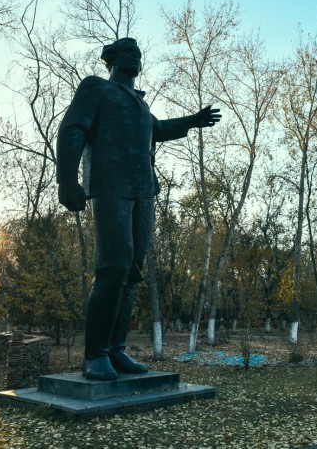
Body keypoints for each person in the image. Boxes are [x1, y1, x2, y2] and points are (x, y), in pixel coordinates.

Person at [56, 37, 220, 381]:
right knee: (113, 266)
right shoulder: (96, 88)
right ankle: (95, 354)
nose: (135, 57)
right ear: (111, 59)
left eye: (139, 54)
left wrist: (193, 119)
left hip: (144, 190)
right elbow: (73, 128)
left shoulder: (140, 106)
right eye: (128, 52)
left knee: (132, 271)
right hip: (110, 184)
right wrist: (67, 180)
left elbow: (158, 129)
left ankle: (115, 350)